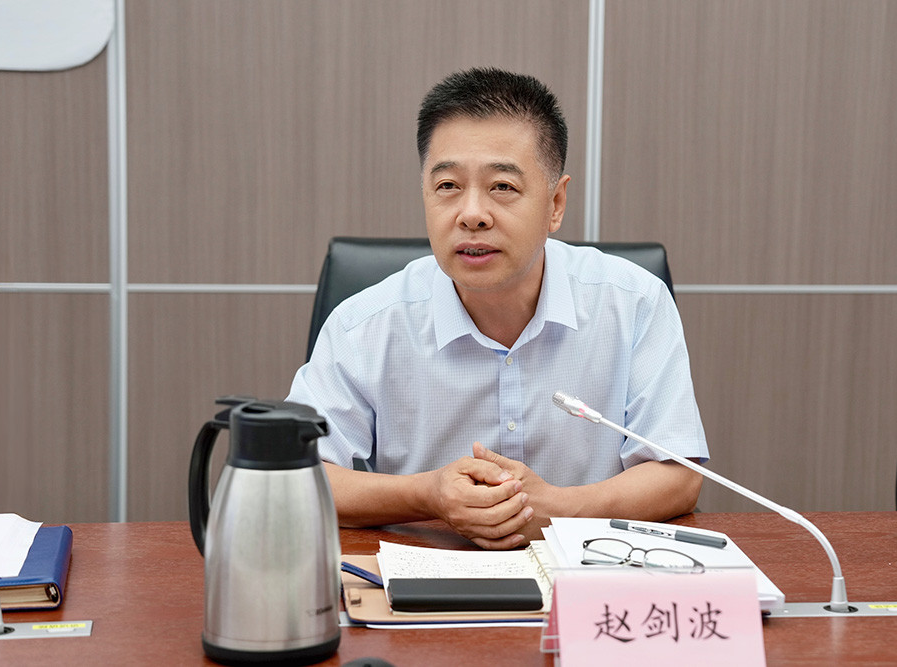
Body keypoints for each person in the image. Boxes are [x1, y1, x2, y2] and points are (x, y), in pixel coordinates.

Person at [287, 67, 708, 550]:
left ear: (555, 203)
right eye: (447, 186)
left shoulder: (634, 302)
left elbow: (678, 473)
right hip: (422, 578)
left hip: (587, 574)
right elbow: (297, 477)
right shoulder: (364, 325)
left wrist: (559, 510)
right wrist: (427, 494)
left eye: (502, 187)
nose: (471, 214)